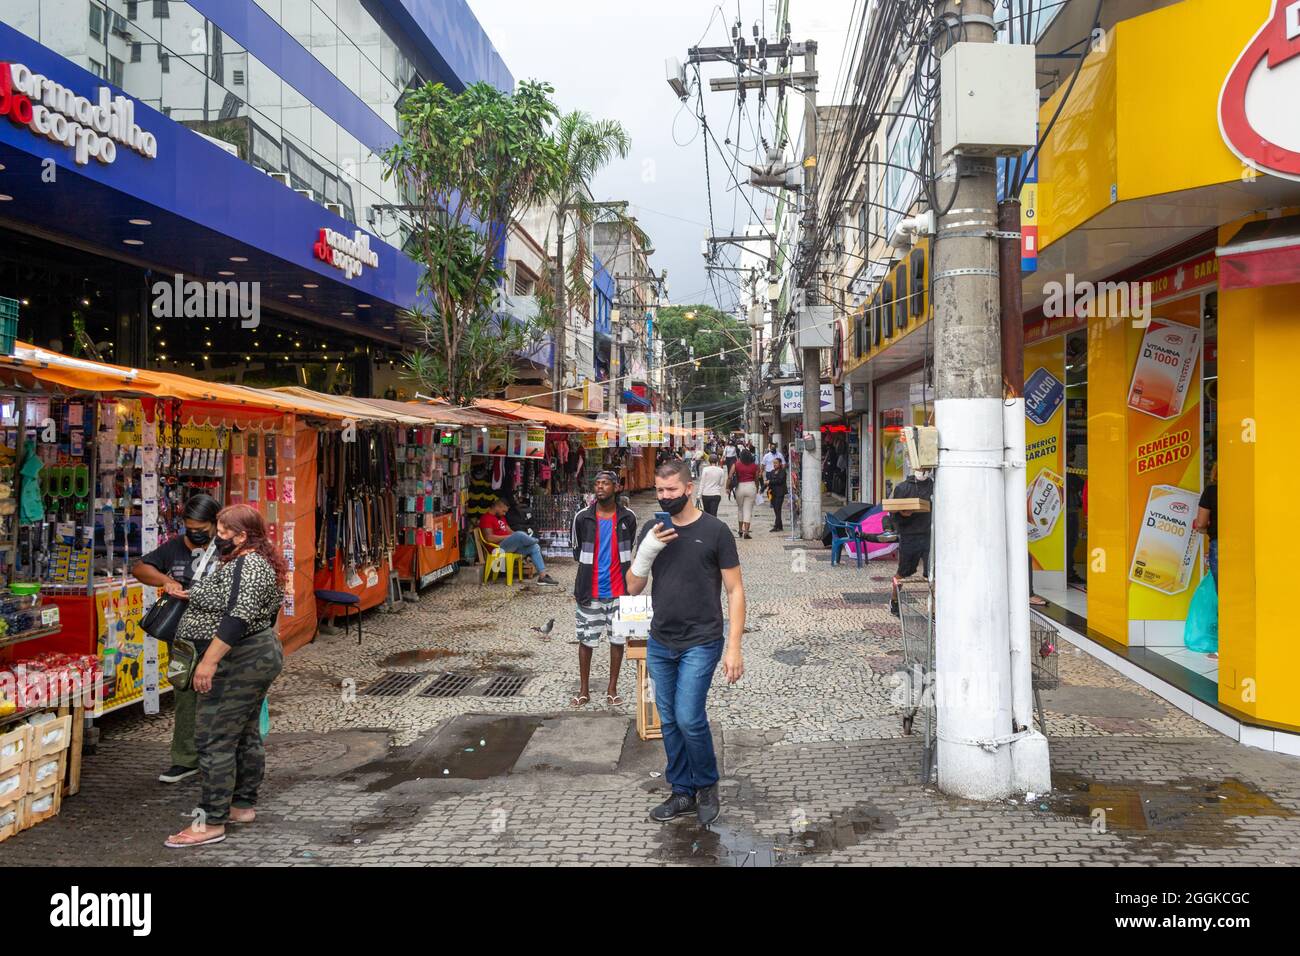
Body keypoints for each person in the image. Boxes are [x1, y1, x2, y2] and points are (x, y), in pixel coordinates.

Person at [626, 460, 744, 826]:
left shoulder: (716, 532)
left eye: (671, 490)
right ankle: (682, 792)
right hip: (661, 640)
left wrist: (734, 646)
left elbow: (735, 590)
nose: (664, 497)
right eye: (660, 491)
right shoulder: (653, 529)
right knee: (670, 721)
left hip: (702, 640)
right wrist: (647, 551)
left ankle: (707, 785)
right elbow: (632, 587)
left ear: (689, 488)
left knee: (689, 717)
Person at [164, 505, 287, 848]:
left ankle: (211, 820)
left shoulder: (250, 565)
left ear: (242, 536)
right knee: (244, 733)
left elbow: (238, 617)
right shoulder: (251, 561)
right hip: (250, 654)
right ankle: (241, 805)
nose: (216, 536)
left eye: (221, 531)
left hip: (240, 658)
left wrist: (209, 662)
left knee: (214, 737)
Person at [132, 493, 222, 785]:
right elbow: (140, 568)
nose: (194, 533)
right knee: (185, 696)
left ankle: (222, 758)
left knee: (224, 696)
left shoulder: (227, 549)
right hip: (183, 639)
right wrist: (166, 581)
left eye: (201, 529)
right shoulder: (173, 548)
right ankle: (185, 759)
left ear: (215, 523)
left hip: (221, 636)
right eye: (189, 526)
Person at [569, 471, 638, 708]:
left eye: (606, 483)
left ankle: (612, 688)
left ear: (616, 487)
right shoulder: (582, 517)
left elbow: (630, 548)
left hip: (620, 590)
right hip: (590, 590)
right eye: (597, 483)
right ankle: (584, 689)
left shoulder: (627, 517)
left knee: (617, 640)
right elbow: (576, 550)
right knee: (586, 640)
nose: (600, 487)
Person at [886, 470, 934, 617]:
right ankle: (894, 600)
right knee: (903, 572)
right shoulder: (903, 488)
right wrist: (902, 514)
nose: (924, 472)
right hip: (909, 536)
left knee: (933, 574)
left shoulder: (934, 486)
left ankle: (934, 610)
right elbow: (893, 513)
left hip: (930, 535)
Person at [479, 497, 558, 586]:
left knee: (534, 547)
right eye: (503, 511)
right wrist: (512, 536)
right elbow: (489, 538)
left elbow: (510, 532)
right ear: (498, 507)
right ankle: (535, 540)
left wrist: (515, 536)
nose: (504, 514)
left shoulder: (501, 518)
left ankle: (543, 577)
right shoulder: (486, 518)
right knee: (520, 534)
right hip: (497, 547)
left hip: (509, 545)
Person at [729, 449, 762, 539]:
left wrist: (728, 487)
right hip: (751, 486)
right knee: (748, 510)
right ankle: (746, 532)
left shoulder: (736, 464)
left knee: (740, 509)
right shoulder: (755, 466)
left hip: (740, 487)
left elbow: (730, 476)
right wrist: (757, 488)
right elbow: (756, 479)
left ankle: (740, 530)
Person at [1194, 465, 1218, 589]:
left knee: (1221, 588)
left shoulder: (1211, 491)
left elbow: (1200, 523)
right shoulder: (1242, 491)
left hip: (1218, 543)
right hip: (1242, 544)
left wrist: (1205, 530)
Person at [767, 457, 789, 532]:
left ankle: (776, 526)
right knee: (776, 510)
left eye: (776, 463)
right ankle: (780, 526)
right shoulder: (772, 471)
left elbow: (779, 481)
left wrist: (770, 482)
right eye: (774, 463)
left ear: (780, 464)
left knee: (778, 508)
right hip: (773, 493)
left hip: (780, 493)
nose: (774, 465)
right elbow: (769, 481)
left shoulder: (783, 472)